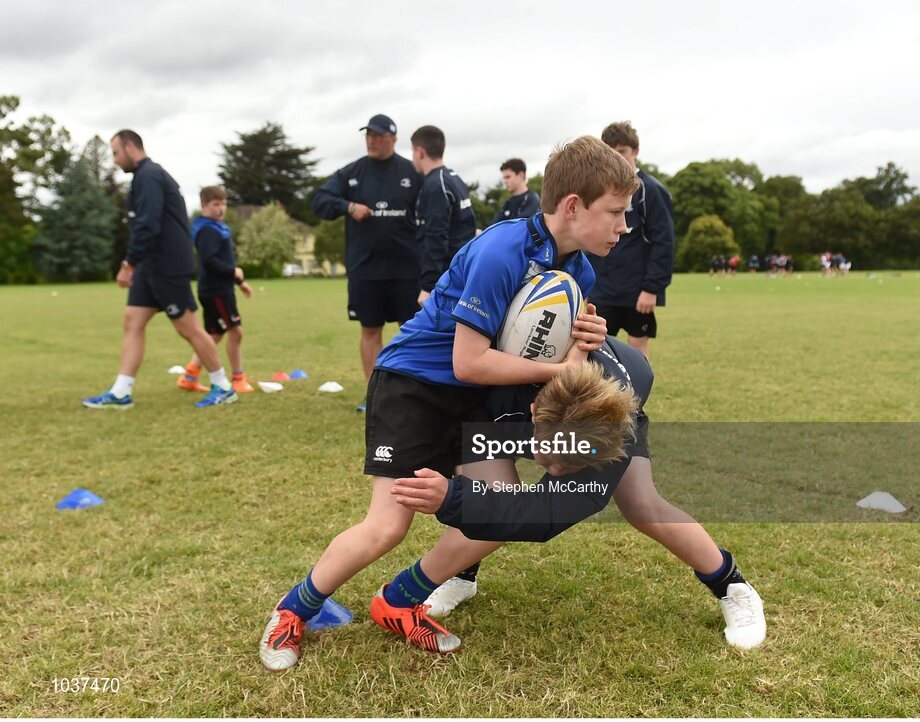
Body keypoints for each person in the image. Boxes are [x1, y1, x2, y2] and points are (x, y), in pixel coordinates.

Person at [258, 136, 635, 671]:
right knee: (388, 526)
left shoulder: (582, 272)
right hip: (414, 387)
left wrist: (584, 341)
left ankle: (398, 600)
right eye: (616, 213)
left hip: (473, 401)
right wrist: (563, 367)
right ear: (573, 205)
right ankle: (294, 609)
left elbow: (558, 360)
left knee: (499, 512)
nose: (624, 227)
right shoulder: (502, 250)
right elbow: (469, 361)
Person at [391, 337, 766, 651]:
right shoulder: (495, 387)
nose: (553, 474)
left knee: (642, 505)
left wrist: (450, 499)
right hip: (498, 416)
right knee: (491, 499)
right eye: (552, 461)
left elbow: (540, 516)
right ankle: (462, 574)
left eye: (567, 468)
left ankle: (732, 585)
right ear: (535, 413)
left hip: (599, 421)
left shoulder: (609, 434)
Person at [82, 130, 237, 410]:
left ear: (130, 147)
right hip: (150, 265)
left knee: (187, 327)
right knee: (133, 320)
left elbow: (149, 224)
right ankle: (121, 392)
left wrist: (128, 263)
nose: (115, 160)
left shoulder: (149, 176)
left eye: (116, 153)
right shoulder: (142, 178)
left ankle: (223, 386)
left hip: (167, 264)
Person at [311, 114, 421, 411]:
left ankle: (413, 393)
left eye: (379, 135)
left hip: (406, 270)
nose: (372, 140)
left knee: (411, 331)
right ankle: (376, 396)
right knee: (370, 331)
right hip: (366, 269)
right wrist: (347, 206)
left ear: (393, 139)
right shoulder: (352, 172)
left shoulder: (411, 171)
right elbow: (319, 201)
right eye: (368, 135)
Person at [587, 122, 674, 359]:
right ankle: (602, 398)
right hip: (602, 289)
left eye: (622, 151)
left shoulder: (651, 190)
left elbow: (664, 241)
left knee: (636, 351)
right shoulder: (597, 191)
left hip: (637, 291)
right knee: (596, 353)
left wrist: (651, 288)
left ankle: (636, 397)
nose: (617, 157)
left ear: (634, 151)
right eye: (610, 151)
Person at [176, 186, 254, 394]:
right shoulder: (207, 230)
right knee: (235, 332)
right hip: (216, 291)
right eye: (216, 204)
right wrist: (233, 273)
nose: (221, 208)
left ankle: (189, 376)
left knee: (215, 335)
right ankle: (238, 379)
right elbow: (209, 261)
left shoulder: (216, 227)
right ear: (204, 206)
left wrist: (239, 282)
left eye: (224, 203)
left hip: (219, 288)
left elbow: (223, 261)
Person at [409, 125, 477, 306]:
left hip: (448, 280)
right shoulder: (454, 178)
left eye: (412, 152)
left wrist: (427, 286)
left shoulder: (435, 185)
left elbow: (436, 237)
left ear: (420, 152)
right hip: (465, 274)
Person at [488, 158, 541, 226]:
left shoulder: (532, 200)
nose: (505, 181)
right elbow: (493, 226)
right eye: (504, 178)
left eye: (508, 177)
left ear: (521, 175)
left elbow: (520, 227)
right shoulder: (508, 203)